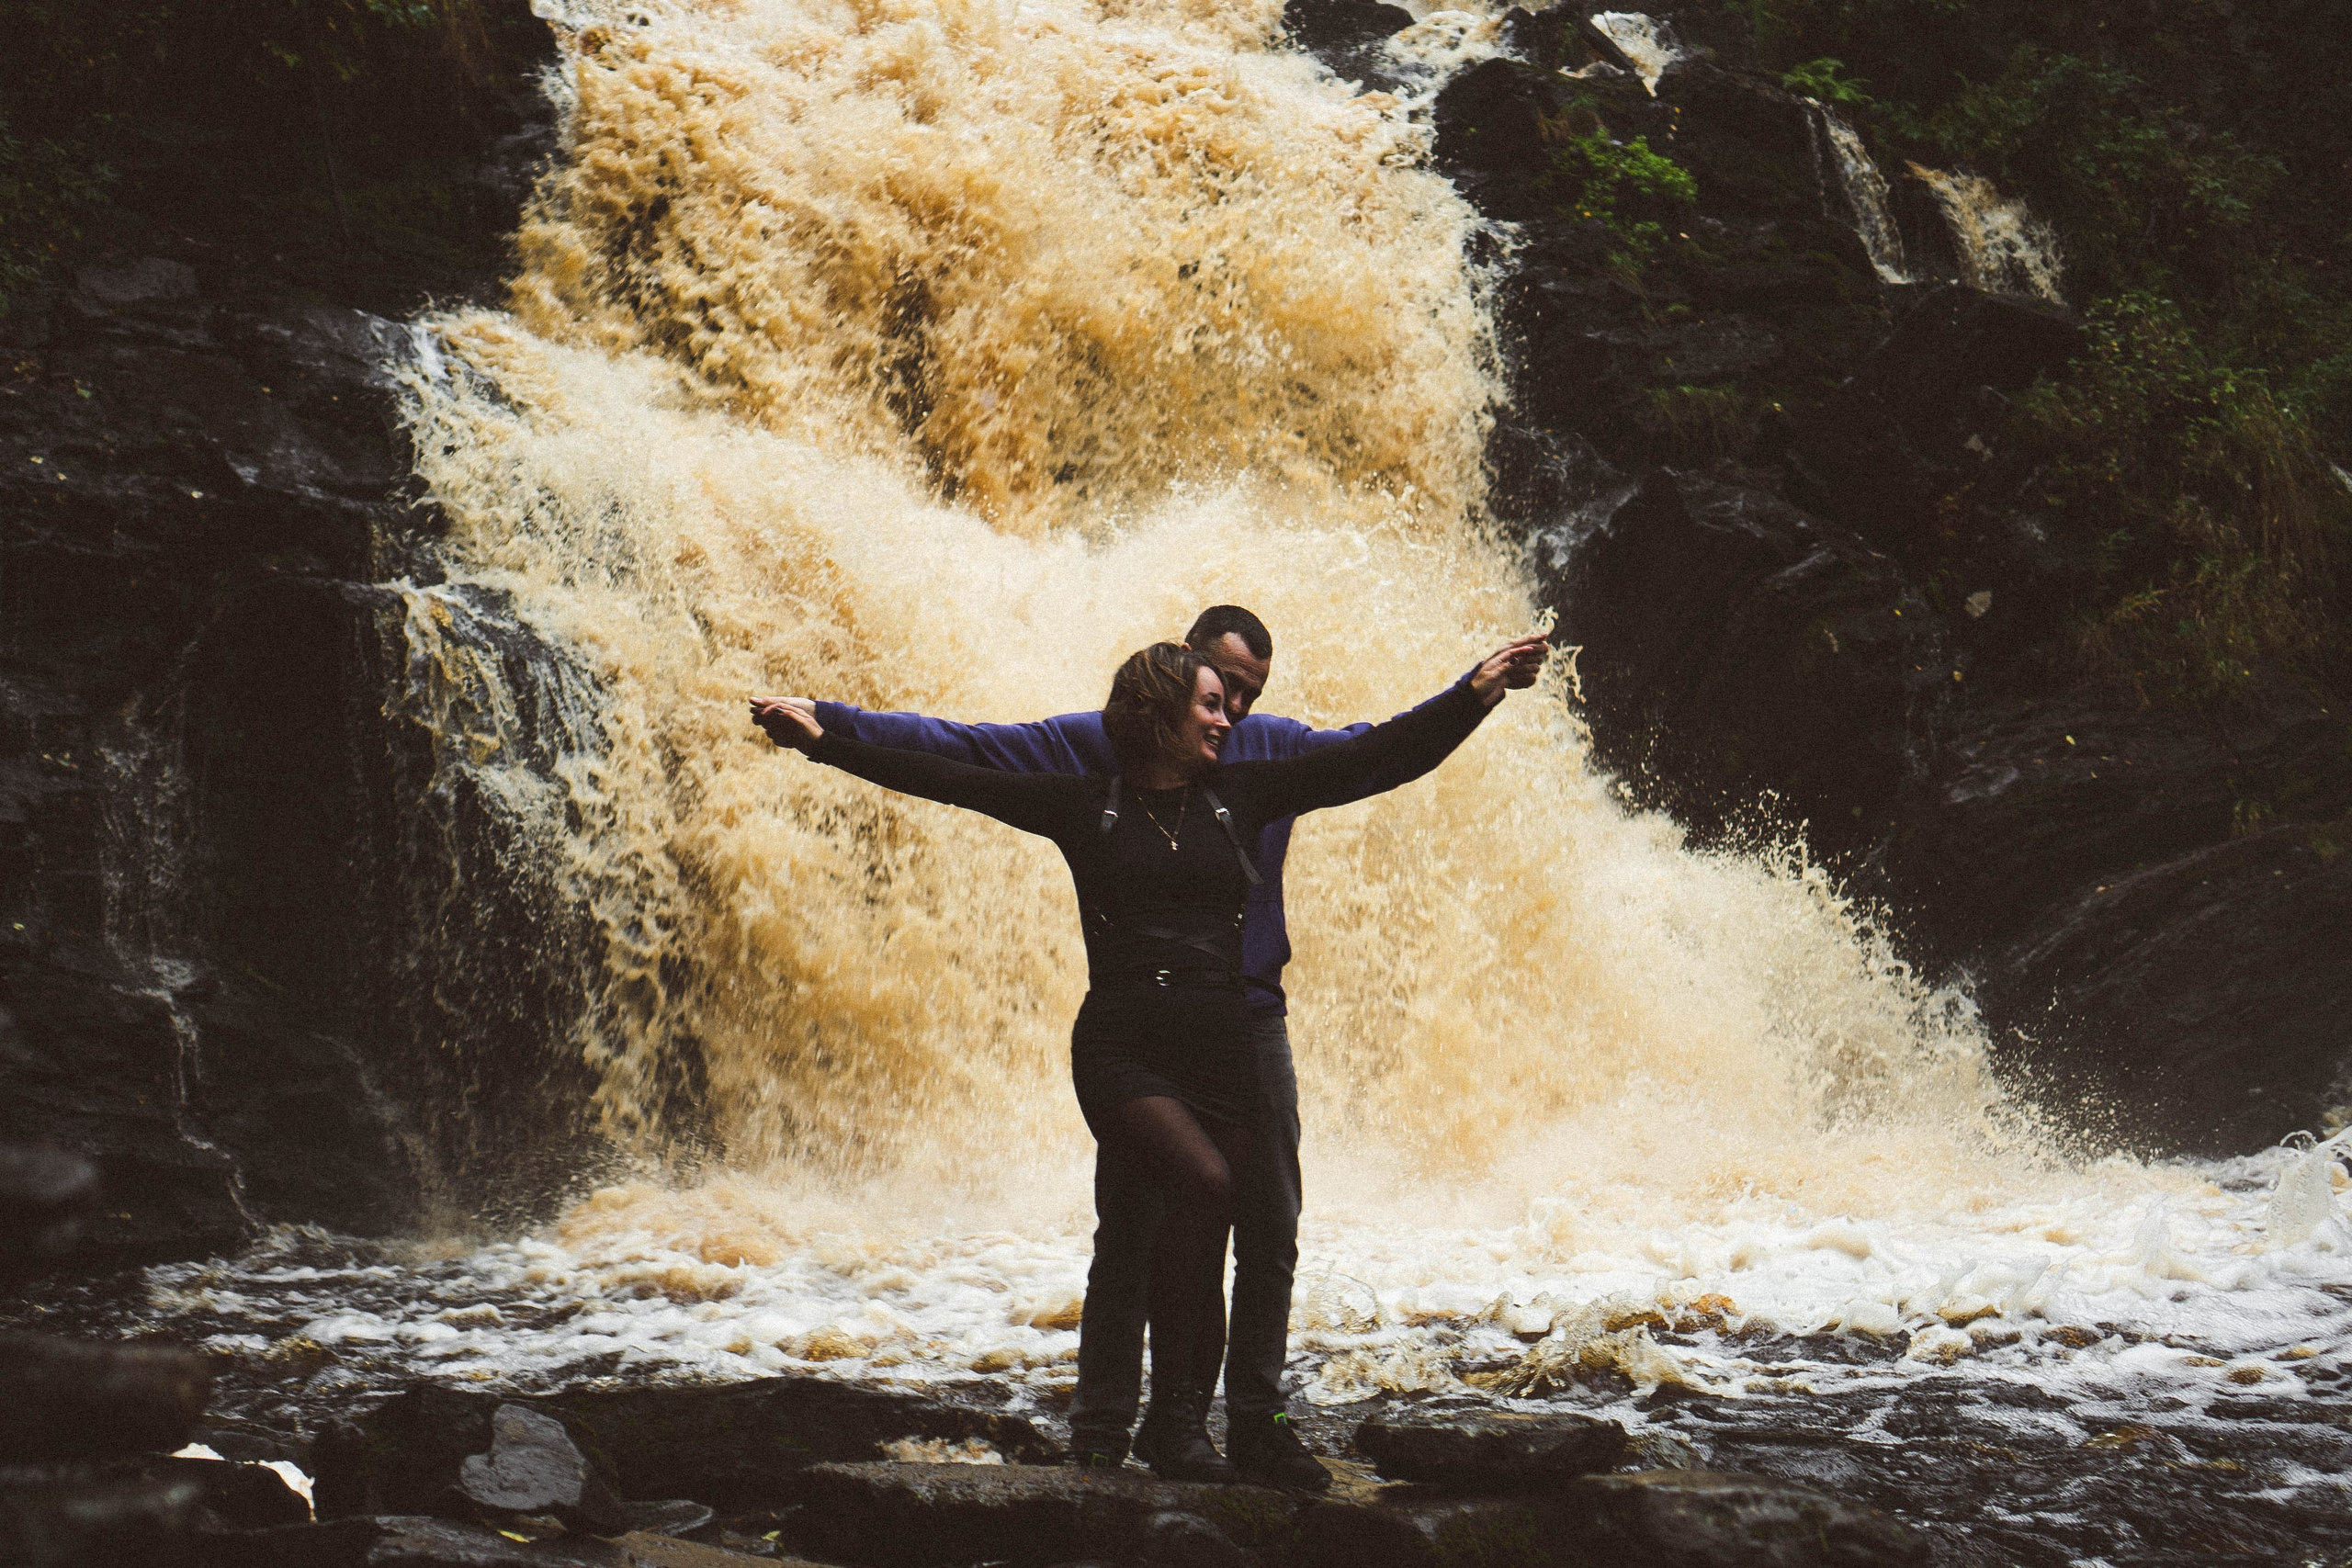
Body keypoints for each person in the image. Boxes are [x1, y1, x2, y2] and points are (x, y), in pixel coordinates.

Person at [752, 629, 1542, 1484]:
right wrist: (826, 742)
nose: (1230, 720)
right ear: (1161, 714)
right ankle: (1119, 1424)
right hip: (1125, 1048)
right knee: (1195, 1188)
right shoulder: (1084, 802)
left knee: (1211, 1230)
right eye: (1212, 703)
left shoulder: (1244, 792)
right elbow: (950, 773)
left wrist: (1476, 692)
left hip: (1226, 1047)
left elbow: (1380, 757)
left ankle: (1179, 1423)